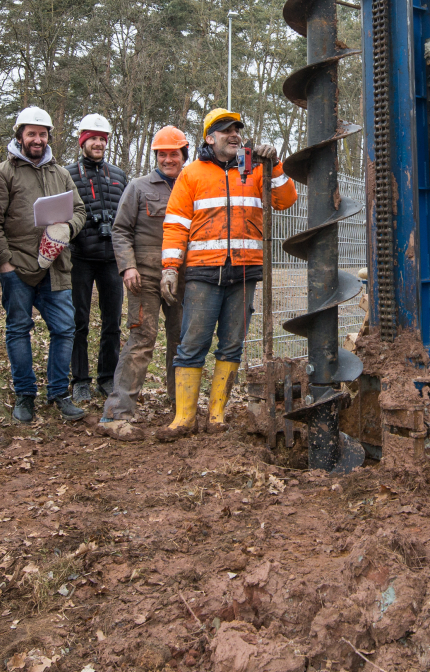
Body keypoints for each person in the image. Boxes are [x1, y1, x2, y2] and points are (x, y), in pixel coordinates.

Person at [159, 109, 295, 436]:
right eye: (225, 130)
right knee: (192, 344)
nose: (234, 134)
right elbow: (176, 224)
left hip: (245, 274)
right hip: (204, 274)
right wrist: (170, 269)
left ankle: (216, 414)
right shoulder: (191, 175)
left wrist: (273, 164)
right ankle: (184, 418)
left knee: (232, 345)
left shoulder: (255, 170)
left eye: (237, 129)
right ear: (209, 138)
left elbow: (286, 199)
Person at [0, 105, 90, 423]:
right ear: (19, 136)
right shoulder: (1, 174)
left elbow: (80, 210)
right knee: (19, 329)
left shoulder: (60, 174)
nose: (37, 139)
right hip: (16, 267)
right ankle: (24, 396)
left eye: (42, 134)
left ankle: (59, 394)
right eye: (31, 133)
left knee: (64, 328)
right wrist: (4, 263)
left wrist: (67, 229)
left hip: (56, 268)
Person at [103, 125, 190, 420]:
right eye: (162, 154)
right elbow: (120, 230)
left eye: (174, 154)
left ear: (184, 155)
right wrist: (128, 266)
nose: (168, 159)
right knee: (141, 340)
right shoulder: (139, 187)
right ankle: (119, 412)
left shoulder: (192, 186)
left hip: (183, 277)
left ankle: (181, 408)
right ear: (156, 156)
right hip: (145, 278)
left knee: (183, 341)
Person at [66, 114, 129, 405]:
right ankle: (79, 379)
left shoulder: (118, 175)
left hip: (112, 259)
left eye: (103, 139)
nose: (98, 143)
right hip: (79, 258)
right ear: (83, 141)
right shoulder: (67, 174)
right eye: (93, 138)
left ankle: (107, 376)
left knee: (112, 322)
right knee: (78, 321)